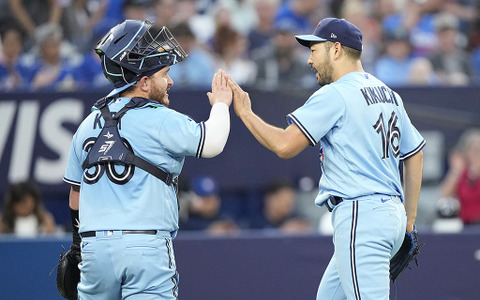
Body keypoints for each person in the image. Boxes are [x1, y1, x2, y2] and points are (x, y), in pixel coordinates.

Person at [228, 17, 425, 299]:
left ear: (335, 50)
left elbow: (284, 146)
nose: (309, 60)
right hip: (388, 214)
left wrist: (246, 113)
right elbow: (415, 153)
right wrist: (409, 217)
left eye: (313, 50)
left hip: (362, 216)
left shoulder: (335, 94)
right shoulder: (389, 94)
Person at [62, 19, 232, 299]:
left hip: (94, 250)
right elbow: (212, 143)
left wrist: (78, 245)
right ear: (143, 82)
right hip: (144, 245)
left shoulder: (87, 124)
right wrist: (222, 105)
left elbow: (75, 195)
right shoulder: (159, 118)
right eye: (164, 74)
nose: (170, 81)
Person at [439, 128, 480, 225]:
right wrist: (455, 171)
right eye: (475, 149)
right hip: (466, 225)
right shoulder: (462, 173)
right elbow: (444, 195)